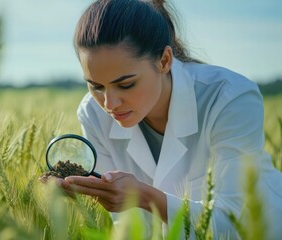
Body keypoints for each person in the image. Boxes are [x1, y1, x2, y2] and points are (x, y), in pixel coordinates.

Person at [51, 0, 282, 238]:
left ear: (164, 60)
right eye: (96, 86)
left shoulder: (229, 98)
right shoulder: (93, 113)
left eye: (126, 84)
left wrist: (144, 196)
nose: (109, 104)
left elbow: (233, 224)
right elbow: (130, 228)